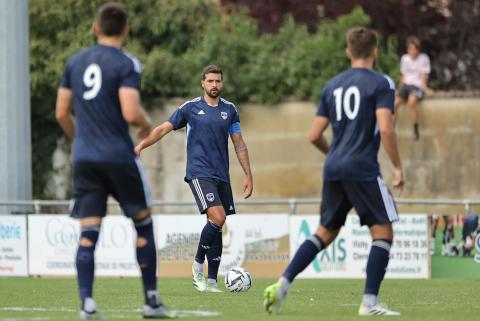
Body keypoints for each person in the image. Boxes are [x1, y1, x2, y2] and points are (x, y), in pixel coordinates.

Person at [263, 26, 404, 316]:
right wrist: (399, 167)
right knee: (383, 233)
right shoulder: (382, 84)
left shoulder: (332, 85)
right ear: (375, 52)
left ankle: (283, 283)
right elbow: (387, 127)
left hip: (334, 167)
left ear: (348, 52)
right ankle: (369, 303)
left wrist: (336, 156)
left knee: (325, 232)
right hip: (363, 167)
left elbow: (314, 135)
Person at [55, 3, 176, 319]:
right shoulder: (127, 63)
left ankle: (87, 305)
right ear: (126, 30)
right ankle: (151, 301)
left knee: (88, 231)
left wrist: (79, 139)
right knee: (143, 222)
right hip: (118, 156)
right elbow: (130, 112)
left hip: (85, 158)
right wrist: (147, 124)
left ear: (96, 28)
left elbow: (60, 112)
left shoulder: (75, 62)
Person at [135, 65, 254, 292]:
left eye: (218, 81)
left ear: (222, 83)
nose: (214, 85)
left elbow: (239, 143)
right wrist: (141, 145)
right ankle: (197, 266)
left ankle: (211, 282)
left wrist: (249, 175)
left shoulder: (230, 110)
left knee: (217, 224)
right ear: (203, 83)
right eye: (210, 81)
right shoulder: (190, 108)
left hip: (222, 175)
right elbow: (163, 129)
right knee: (217, 217)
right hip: (199, 173)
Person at [394, 36, 433, 140]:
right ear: (408, 49)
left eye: (415, 49)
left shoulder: (423, 58)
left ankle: (415, 129)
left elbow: (423, 75)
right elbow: (403, 75)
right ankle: (392, 127)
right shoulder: (405, 59)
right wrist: (399, 89)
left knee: (412, 102)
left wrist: (425, 88)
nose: (413, 51)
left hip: (417, 86)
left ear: (418, 49)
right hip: (406, 85)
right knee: (394, 104)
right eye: (411, 49)